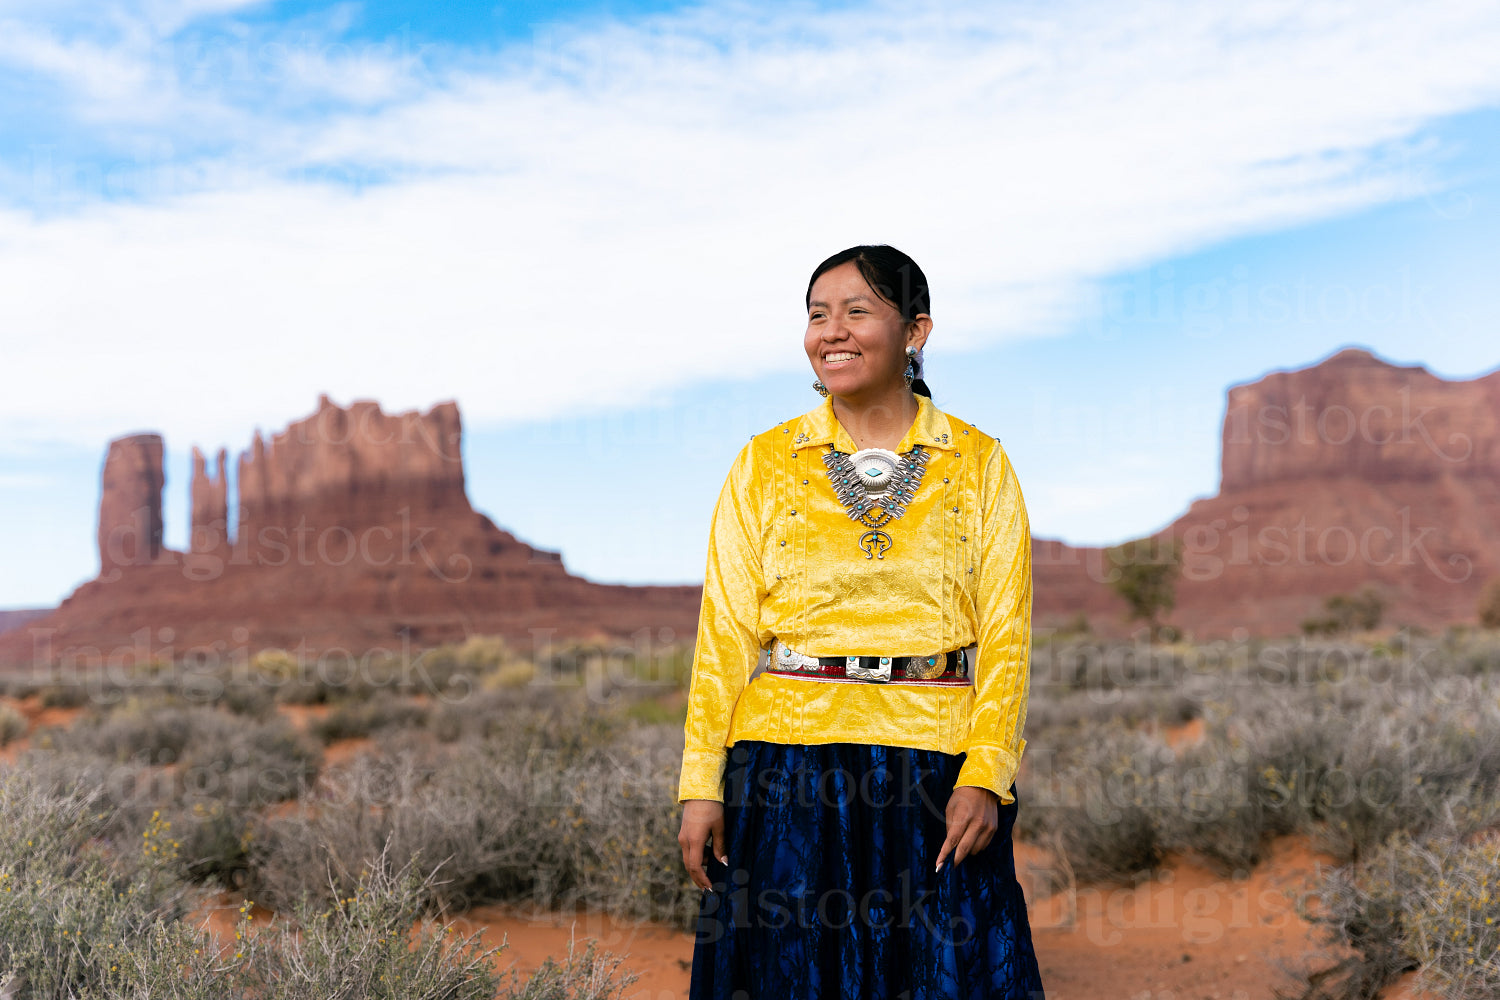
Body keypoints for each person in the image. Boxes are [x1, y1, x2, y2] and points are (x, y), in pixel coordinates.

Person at [676, 244, 1045, 999]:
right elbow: (724, 635)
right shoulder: (765, 462)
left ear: (916, 331)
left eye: (856, 311)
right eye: (816, 315)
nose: (830, 331)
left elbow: (1007, 631)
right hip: (785, 772)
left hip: (932, 772)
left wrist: (988, 772)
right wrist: (701, 782)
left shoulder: (978, 464)